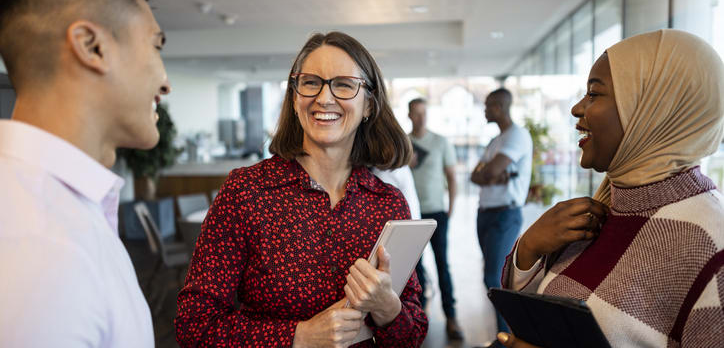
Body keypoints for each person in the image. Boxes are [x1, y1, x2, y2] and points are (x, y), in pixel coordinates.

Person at [175, 32, 428, 347]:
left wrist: (387, 306)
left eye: (344, 84)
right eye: (310, 82)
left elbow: (413, 334)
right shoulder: (246, 192)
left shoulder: (388, 204)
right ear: (295, 98)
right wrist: (299, 337)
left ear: (368, 105)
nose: (324, 98)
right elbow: (195, 325)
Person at [495, 29, 724, 348]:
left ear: (651, 108)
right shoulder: (601, 211)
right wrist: (530, 248)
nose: (577, 109)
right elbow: (536, 314)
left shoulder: (712, 244)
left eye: (594, 94)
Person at [0, 0, 170, 346]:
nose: (165, 81)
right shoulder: (40, 247)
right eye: (155, 45)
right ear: (92, 47)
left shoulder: (56, 212)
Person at [470, 88, 532, 334]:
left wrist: (490, 174)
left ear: (499, 107)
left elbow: (489, 172)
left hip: (504, 215)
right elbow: (476, 176)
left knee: (494, 278)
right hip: (485, 213)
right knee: (492, 275)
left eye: (487, 105)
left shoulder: (517, 136)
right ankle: (506, 333)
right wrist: (489, 174)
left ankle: (509, 336)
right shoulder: (495, 140)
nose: (485, 110)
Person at [408, 97, 464, 340]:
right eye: (416, 113)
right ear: (409, 115)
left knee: (442, 265)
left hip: (436, 212)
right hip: (410, 215)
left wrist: (450, 208)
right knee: (414, 269)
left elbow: (452, 177)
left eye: (424, 113)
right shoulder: (403, 143)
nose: (421, 118)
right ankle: (419, 318)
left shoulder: (441, 142)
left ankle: (451, 317)